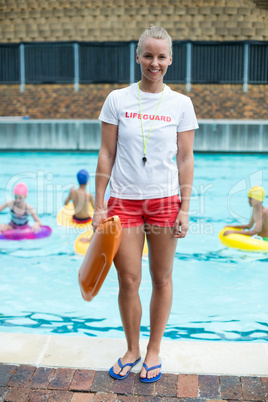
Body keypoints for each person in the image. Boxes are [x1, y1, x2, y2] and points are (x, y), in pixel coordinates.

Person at [92, 25, 198, 383]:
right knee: (128, 279)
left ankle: (153, 350)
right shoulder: (117, 99)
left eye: (162, 56)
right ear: (138, 57)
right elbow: (106, 154)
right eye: (148, 55)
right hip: (123, 202)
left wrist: (184, 207)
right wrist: (99, 204)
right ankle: (132, 348)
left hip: (165, 201)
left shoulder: (181, 104)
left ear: (170, 59)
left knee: (161, 278)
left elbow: (186, 158)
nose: (155, 63)